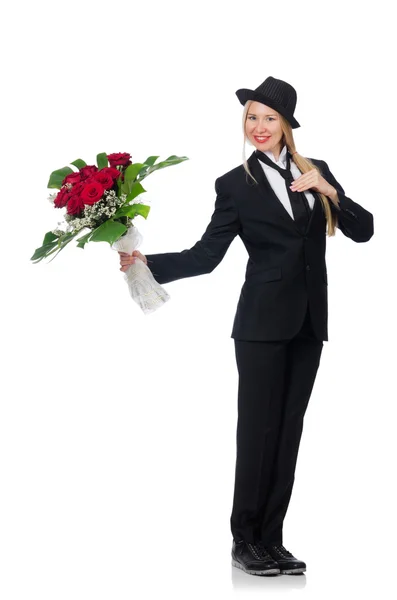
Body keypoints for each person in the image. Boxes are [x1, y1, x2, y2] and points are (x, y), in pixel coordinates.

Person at [118, 76, 374, 577]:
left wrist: (328, 189)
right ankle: (244, 539)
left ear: (286, 126)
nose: (258, 127)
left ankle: (272, 539)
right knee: (257, 431)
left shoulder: (315, 171)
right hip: (259, 325)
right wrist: (145, 264)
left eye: (269, 118)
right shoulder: (234, 184)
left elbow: (364, 231)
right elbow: (206, 256)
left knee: (288, 431)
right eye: (252, 117)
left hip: (308, 324)